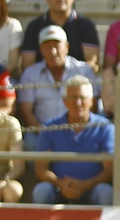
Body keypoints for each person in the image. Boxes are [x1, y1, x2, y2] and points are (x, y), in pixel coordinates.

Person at [31, 75, 113, 205]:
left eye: (82, 98)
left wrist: (86, 185)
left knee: (105, 192)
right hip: (58, 189)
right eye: (73, 97)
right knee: (42, 191)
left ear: (91, 101)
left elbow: (110, 169)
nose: (78, 103)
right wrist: (60, 183)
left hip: (92, 189)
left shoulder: (105, 127)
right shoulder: (50, 127)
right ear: (65, 101)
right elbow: (40, 168)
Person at [16, 26, 97, 129]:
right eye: (47, 47)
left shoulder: (84, 70)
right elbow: (26, 111)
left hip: (79, 130)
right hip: (40, 131)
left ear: (67, 47)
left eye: (57, 46)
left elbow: (93, 105)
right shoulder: (30, 74)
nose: (53, 52)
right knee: (29, 139)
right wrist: (44, 134)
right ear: (41, 49)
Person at [17, 0, 98, 71]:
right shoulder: (34, 27)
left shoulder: (86, 26)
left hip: (78, 78)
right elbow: (27, 66)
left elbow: (92, 65)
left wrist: (66, 76)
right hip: (42, 79)